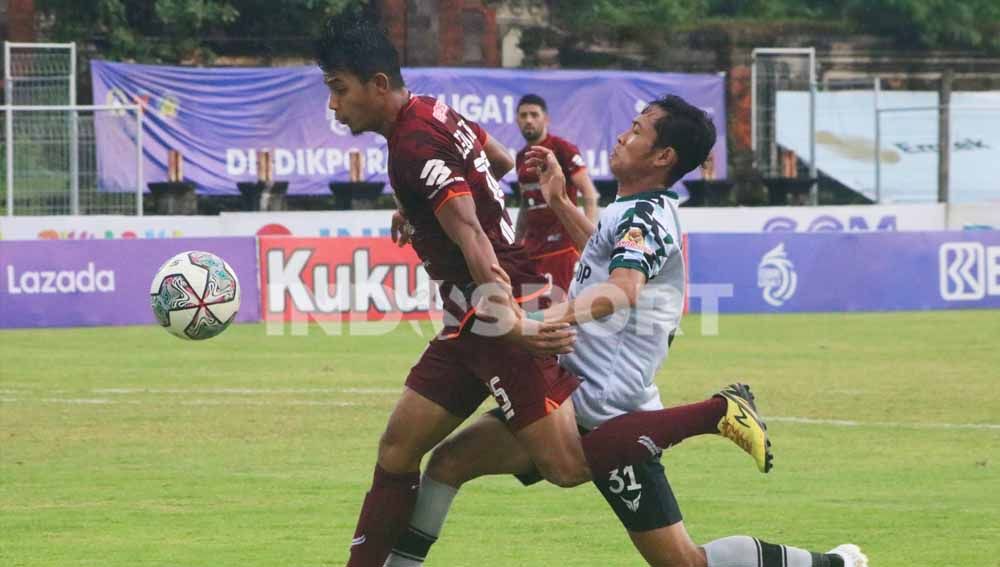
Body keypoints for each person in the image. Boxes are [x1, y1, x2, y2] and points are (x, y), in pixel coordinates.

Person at [317, 14, 770, 567]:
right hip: (473, 316)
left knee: (568, 467)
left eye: (339, 90)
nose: (334, 106)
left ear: (378, 84)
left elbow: (474, 236)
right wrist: (418, 208)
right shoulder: (432, 111)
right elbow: (500, 164)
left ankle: (715, 412)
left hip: (498, 308)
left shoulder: (416, 138)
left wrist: (515, 324)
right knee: (402, 452)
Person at [385, 96, 868, 567]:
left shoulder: (645, 216)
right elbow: (602, 255)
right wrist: (557, 201)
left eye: (637, 131)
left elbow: (621, 290)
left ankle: (731, 425)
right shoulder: (635, 209)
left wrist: (537, 323)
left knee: (680, 560)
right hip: (578, 392)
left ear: (662, 157)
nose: (622, 136)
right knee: (449, 463)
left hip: (606, 406)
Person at [514, 94, 600, 295]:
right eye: (523, 115)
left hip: (561, 246)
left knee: (560, 308)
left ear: (546, 119)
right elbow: (525, 205)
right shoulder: (521, 157)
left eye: (534, 115)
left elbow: (589, 193)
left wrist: (590, 240)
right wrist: (516, 243)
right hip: (532, 249)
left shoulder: (562, 149)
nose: (528, 120)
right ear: (517, 120)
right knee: (535, 312)